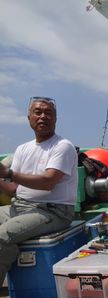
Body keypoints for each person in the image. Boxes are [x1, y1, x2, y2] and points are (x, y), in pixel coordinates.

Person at [0, 96, 78, 286]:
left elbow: (47, 182)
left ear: (55, 119)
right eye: (38, 112)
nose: (43, 116)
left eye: (48, 113)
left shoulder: (63, 147)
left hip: (52, 212)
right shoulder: (22, 149)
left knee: (2, 237)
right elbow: (14, 190)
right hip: (20, 206)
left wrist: (8, 172)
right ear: (29, 118)